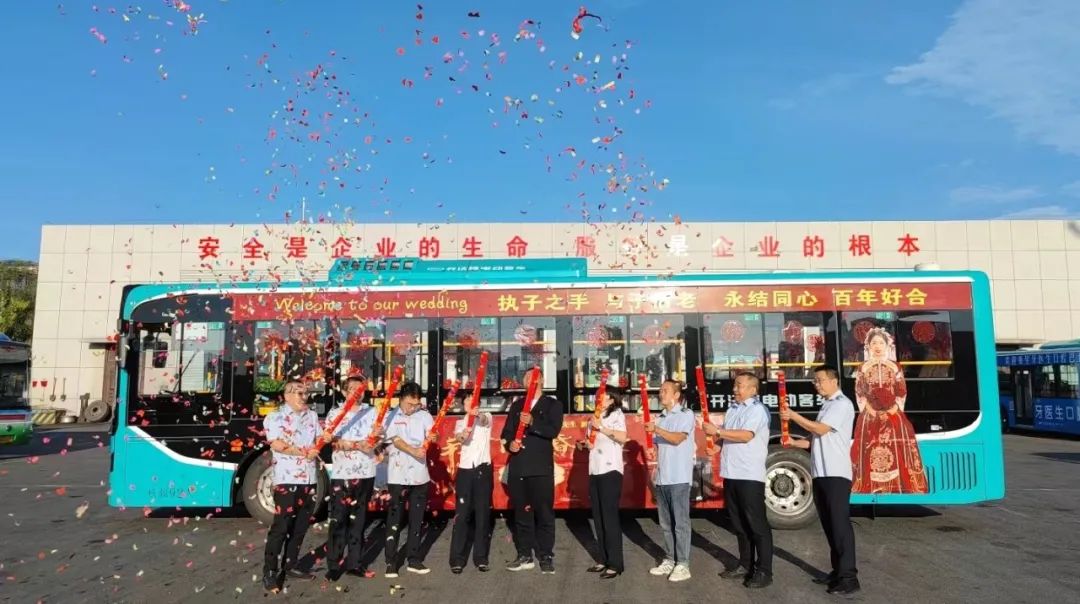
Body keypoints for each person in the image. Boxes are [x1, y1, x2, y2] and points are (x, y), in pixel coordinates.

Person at [781, 365, 860, 595]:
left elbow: (821, 429)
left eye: (820, 380)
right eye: (814, 381)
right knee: (829, 525)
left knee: (840, 525)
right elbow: (813, 438)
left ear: (834, 381)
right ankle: (838, 571)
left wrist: (793, 416)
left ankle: (849, 578)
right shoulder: (827, 405)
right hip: (821, 473)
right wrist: (793, 443)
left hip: (836, 474)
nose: (816, 385)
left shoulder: (842, 404)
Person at [703, 371, 773, 589]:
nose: (735, 389)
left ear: (753, 389)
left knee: (756, 524)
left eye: (740, 385)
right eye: (735, 385)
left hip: (749, 475)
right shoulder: (733, 409)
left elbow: (746, 435)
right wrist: (716, 446)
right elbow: (728, 436)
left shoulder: (758, 410)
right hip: (731, 473)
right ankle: (745, 564)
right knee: (739, 524)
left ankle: (764, 570)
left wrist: (718, 431)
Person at [850, 328, 928, 494]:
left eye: (881, 343)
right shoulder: (863, 367)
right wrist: (870, 409)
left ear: (887, 346)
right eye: (874, 343)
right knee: (868, 448)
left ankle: (897, 486)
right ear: (869, 346)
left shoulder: (895, 367)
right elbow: (860, 392)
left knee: (898, 446)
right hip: (870, 415)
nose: (877, 346)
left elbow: (901, 390)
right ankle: (869, 486)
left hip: (893, 414)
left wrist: (893, 409)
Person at [261, 380, 321, 593]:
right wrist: (303, 452)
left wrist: (323, 442)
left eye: (306, 393)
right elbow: (276, 444)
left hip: (309, 479)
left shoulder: (312, 416)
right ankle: (270, 571)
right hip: (287, 478)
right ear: (287, 395)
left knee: (300, 526)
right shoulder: (274, 417)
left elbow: (320, 438)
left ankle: (291, 564)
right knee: (281, 527)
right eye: (299, 393)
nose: (304, 397)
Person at [322, 376, 383, 581]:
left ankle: (355, 563)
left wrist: (375, 440)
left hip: (366, 472)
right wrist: (358, 445)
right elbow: (333, 441)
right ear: (344, 392)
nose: (357, 392)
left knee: (359, 519)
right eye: (352, 389)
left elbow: (379, 439)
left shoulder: (372, 412)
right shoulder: (336, 413)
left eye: (360, 389)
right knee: (339, 519)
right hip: (343, 474)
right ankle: (334, 565)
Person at [500, 381, 564, 574]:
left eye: (532, 377)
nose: (528, 381)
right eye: (526, 378)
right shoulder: (517, 405)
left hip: (540, 468)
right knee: (522, 514)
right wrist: (510, 445)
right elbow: (507, 432)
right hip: (519, 466)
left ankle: (546, 556)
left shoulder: (553, 404)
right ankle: (525, 555)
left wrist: (533, 422)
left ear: (540, 381)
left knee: (544, 514)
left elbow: (553, 430)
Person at [643, 379, 695, 583]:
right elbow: (661, 445)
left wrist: (656, 430)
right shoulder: (661, 417)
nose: (661, 394)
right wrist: (653, 448)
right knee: (666, 524)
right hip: (663, 477)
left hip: (679, 477)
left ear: (676, 395)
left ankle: (683, 564)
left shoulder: (685, 414)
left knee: (680, 523)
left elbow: (677, 439)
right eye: (660, 390)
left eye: (665, 391)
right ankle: (670, 559)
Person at [384, 381, 436, 577]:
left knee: (417, 519)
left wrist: (432, 438)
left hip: (419, 475)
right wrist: (413, 450)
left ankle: (414, 559)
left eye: (416, 404)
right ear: (401, 399)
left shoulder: (424, 415)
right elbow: (395, 441)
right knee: (395, 519)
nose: (412, 408)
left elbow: (432, 434)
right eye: (409, 404)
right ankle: (391, 561)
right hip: (398, 475)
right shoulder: (390, 416)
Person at [579, 388, 628, 579]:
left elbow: (622, 437)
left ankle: (615, 563)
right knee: (598, 517)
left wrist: (601, 428)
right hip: (595, 469)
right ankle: (603, 559)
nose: (598, 397)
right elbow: (591, 443)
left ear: (611, 399)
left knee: (609, 517)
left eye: (602, 395)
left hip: (611, 470)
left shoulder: (617, 414)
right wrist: (585, 444)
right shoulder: (595, 416)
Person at [448, 403, 494, 574]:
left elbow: (484, 420)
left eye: (473, 401)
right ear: (464, 404)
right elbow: (459, 438)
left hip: (483, 468)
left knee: (482, 515)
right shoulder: (460, 422)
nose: (471, 404)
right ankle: (457, 559)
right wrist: (463, 434)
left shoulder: (486, 416)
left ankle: (481, 558)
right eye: (468, 401)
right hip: (465, 470)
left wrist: (477, 415)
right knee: (462, 515)